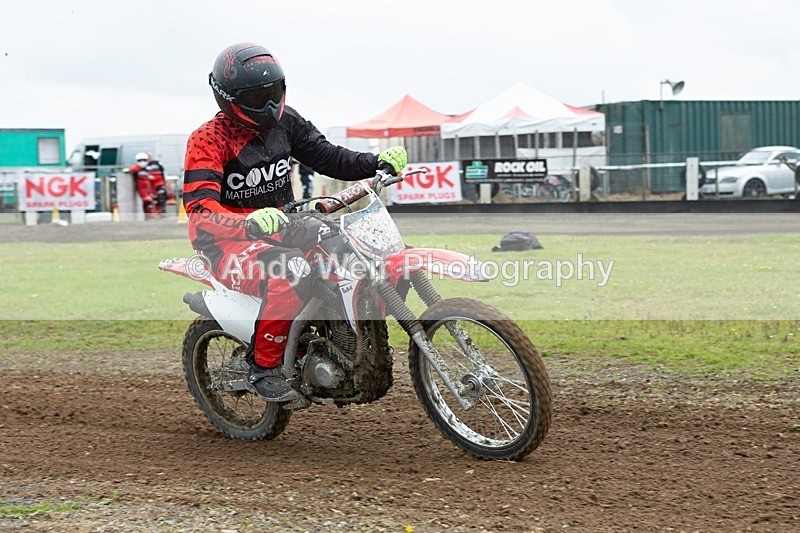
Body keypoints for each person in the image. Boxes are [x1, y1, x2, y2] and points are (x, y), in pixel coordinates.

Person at [183, 43, 406, 401]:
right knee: (290, 272)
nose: (269, 104)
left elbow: (329, 157)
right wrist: (249, 221)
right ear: (229, 98)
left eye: (273, 92)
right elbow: (200, 207)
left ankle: (344, 347)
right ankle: (263, 367)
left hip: (286, 225)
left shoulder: (287, 122)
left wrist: (374, 162)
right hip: (226, 242)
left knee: (348, 254)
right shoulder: (209, 139)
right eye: (257, 95)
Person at [129, 152, 168, 218]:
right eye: (140, 160)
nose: (142, 162)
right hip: (142, 189)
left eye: (144, 160)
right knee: (148, 201)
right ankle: (149, 215)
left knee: (156, 199)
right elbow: (130, 170)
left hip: (150, 188)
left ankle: (158, 213)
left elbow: (160, 174)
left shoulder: (149, 168)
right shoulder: (136, 168)